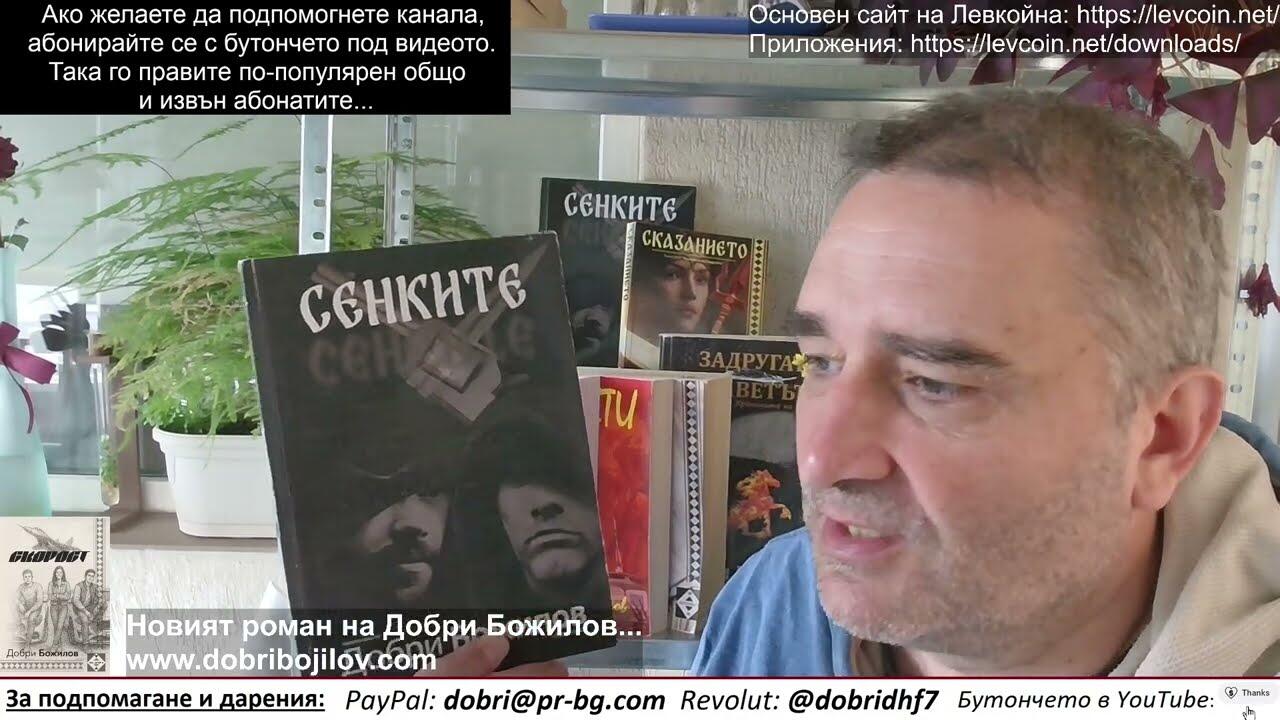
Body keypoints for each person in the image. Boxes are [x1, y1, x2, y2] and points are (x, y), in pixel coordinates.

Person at [691, 87, 1280, 676]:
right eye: (821, 362)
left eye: (934, 384)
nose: (820, 460)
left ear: (1161, 438)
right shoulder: (769, 604)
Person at [15, 569, 44, 644]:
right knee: (15, 609)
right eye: (25, 577)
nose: (27, 578)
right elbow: (15, 597)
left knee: (31, 619)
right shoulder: (21, 587)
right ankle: (21, 631)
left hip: (36, 609)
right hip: (26, 607)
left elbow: (39, 602)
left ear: (32, 577)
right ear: (23, 578)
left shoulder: (37, 586)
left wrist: (29, 611)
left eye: (29, 576)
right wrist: (19, 604)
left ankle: (27, 644)